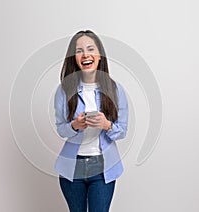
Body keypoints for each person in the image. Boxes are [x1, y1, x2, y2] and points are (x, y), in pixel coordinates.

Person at [54, 30, 128, 212]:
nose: (85, 54)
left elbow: (122, 130)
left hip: (102, 168)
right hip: (73, 168)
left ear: (99, 55)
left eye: (90, 49)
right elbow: (61, 129)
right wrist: (74, 126)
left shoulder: (115, 89)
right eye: (79, 50)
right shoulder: (64, 90)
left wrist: (106, 125)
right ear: (74, 58)